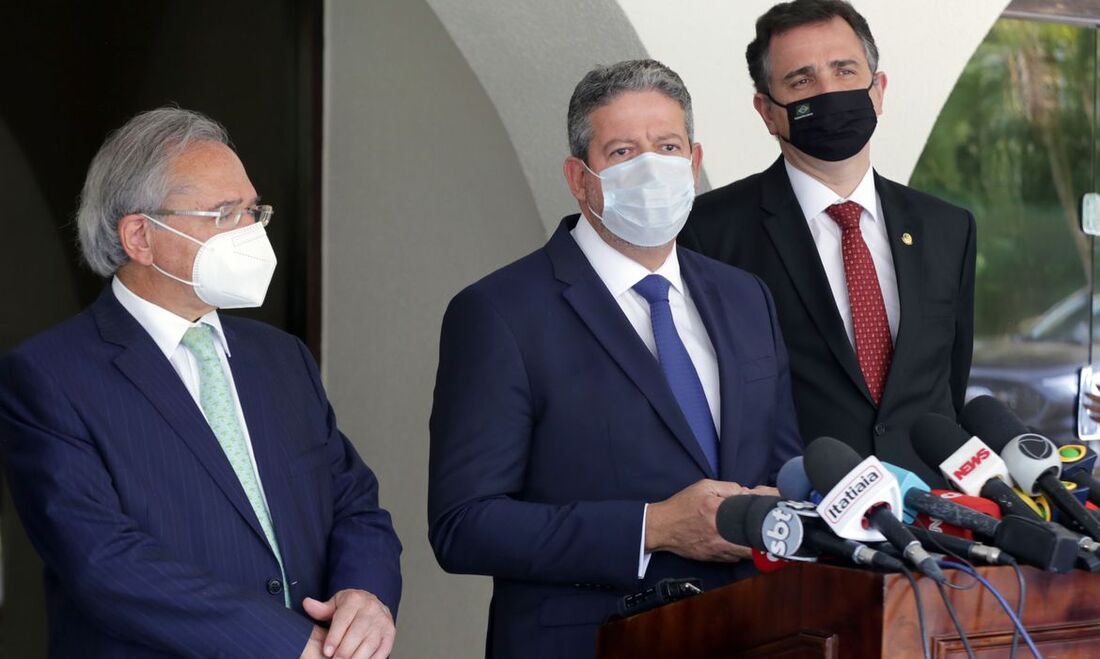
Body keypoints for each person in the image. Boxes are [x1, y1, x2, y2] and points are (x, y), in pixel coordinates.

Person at [428, 59, 802, 659]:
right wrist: (653, 526)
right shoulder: (499, 312)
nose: (652, 168)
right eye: (624, 152)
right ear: (579, 179)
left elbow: (787, 465)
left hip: (748, 632)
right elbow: (463, 524)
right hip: (591, 641)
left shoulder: (745, 296)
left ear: (695, 162)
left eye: (668, 146)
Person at [0, 108, 402, 659]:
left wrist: (366, 594)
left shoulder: (282, 358)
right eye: (223, 213)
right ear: (140, 236)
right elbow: (103, 561)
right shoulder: (48, 376)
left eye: (253, 210)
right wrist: (284, 642)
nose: (252, 232)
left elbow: (354, 501)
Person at [681, 0, 976, 486]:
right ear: (767, 111)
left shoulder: (948, 227)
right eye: (801, 81)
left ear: (877, 90)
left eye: (844, 71)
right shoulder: (709, 231)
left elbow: (951, 381)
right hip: (795, 522)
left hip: (934, 521)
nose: (828, 91)